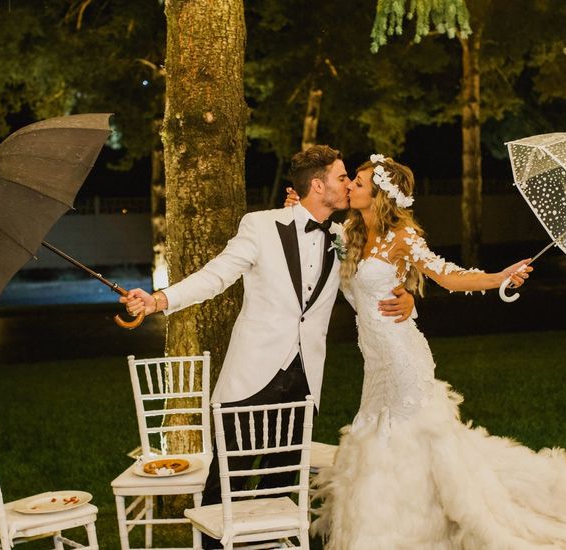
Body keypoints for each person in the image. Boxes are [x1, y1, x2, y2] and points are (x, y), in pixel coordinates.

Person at [285, 154, 566, 549]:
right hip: (375, 359)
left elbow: (449, 276)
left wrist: (500, 276)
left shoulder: (403, 237)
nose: (350, 187)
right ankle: (386, 520)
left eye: (358, 182)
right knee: (376, 436)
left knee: (410, 438)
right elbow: (325, 256)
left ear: (379, 195)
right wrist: (295, 212)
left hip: (402, 356)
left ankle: (410, 531)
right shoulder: (352, 232)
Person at [121, 145, 415, 548]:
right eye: (343, 177)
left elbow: (361, 290)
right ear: (318, 184)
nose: (349, 184)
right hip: (250, 378)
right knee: (226, 485)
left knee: (279, 487)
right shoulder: (260, 226)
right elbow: (216, 276)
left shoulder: (340, 237)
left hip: (303, 381)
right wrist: (159, 300)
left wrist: (407, 298)